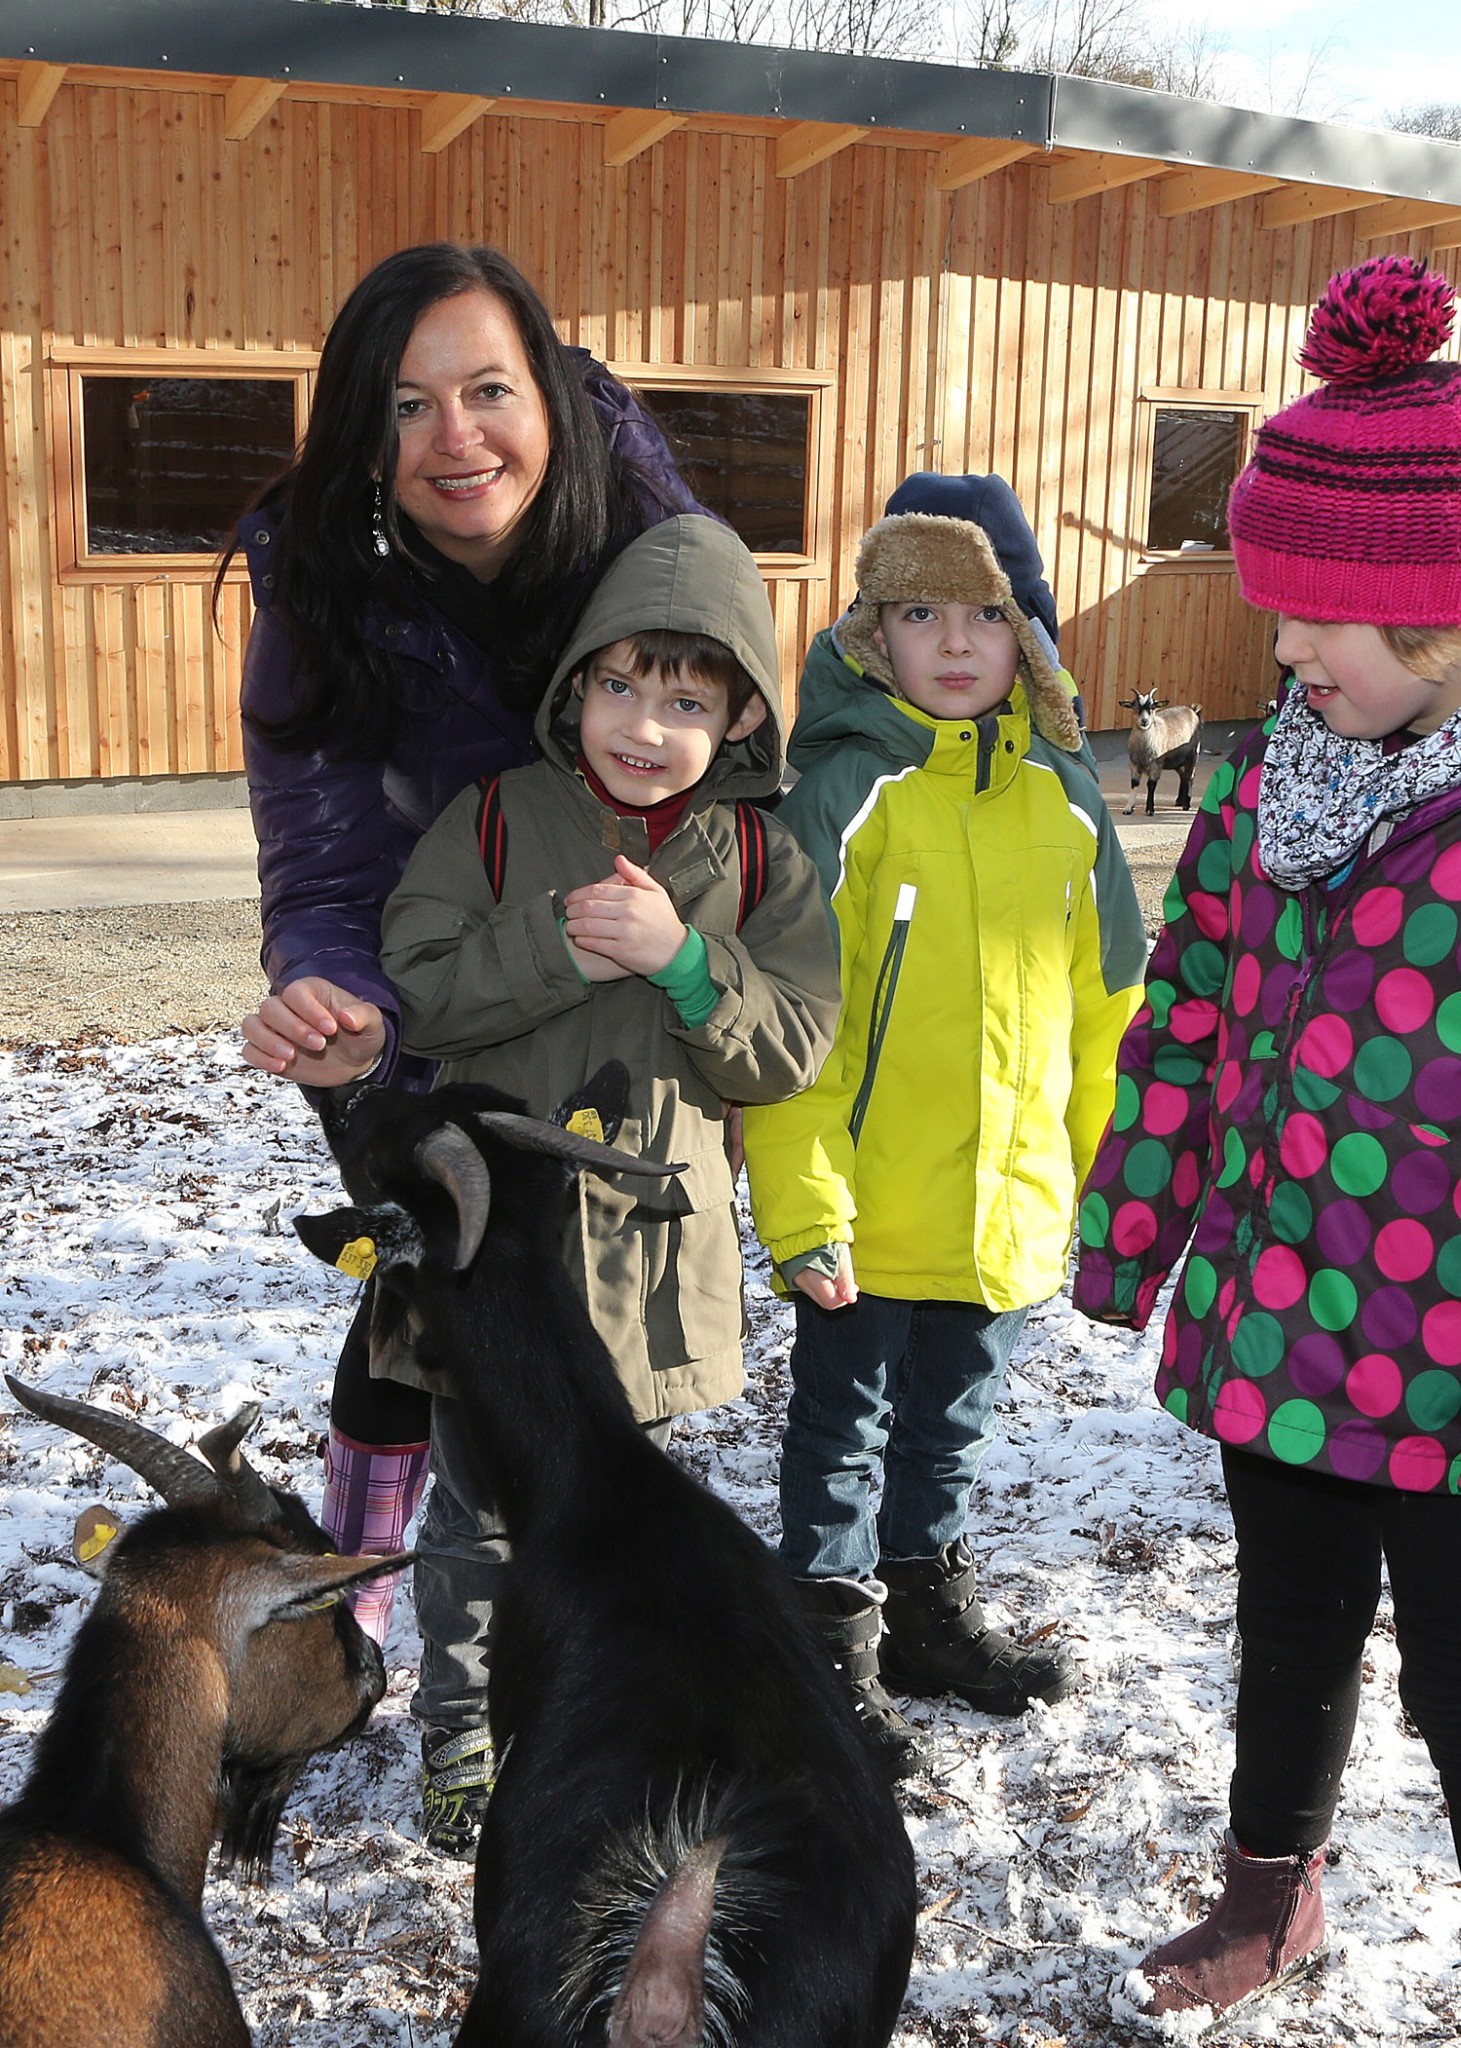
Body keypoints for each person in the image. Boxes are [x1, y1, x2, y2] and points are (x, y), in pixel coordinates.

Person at [1073, 253, 1461, 2023]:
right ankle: (1267, 1895)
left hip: (1447, 1365)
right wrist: (1129, 1230)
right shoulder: (1261, 781)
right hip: (1282, 1315)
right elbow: (1185, 1019)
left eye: (1314, 615)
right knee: (1287, 1623)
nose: (1278, 646)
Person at [225, 243, 700, 1667]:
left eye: (487, 389)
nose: (455, 437)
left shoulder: (648, 542)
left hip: (607, 971)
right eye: (407, 404)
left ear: (547, 396)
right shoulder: (320, 583)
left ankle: (567, 1598)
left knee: (580, 1307)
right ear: (361, 429)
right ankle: (359, 1590)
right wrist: (335, 995)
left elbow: (728, 743)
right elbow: (320, 861)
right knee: (424, 1292)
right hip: (412, 999)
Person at [377, 511, 841, 1852]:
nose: (646, 724)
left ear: (740, 718)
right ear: (575, 683)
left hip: (644, 1254)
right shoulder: (495, 824)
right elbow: (417, 992)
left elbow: (790, 1050)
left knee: (608, 1521)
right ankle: (461, 1730)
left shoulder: (760, 863)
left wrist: (687, 964)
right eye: (622, 684)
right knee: (476, 1509)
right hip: (492, 1255)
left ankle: (584, 1709)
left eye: (687, 698)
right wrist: (560, 951)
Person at [741, 476, 1147, 1779]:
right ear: (874, 633)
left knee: (950, 1425)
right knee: (842, 1435)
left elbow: (1109, 1021)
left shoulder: (1070, 807)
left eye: (985, 611)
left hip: (1007, 1208)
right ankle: (823, 1662)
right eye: (920, 610)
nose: (957, 642)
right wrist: (804, 1202)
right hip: (869, 1210)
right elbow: (785, 1026)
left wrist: (1101, 1186)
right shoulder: (843, 800)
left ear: (1027, 631)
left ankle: (922, 1623)